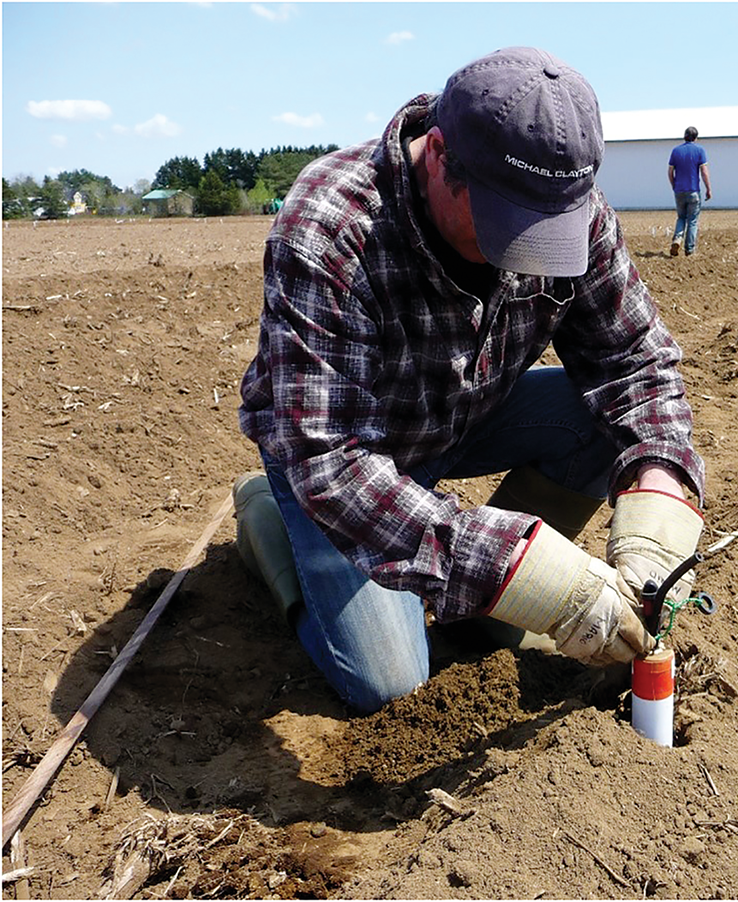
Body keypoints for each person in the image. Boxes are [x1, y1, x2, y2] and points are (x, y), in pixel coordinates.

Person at [235, 47, 706, 714]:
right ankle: (267, 522)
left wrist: (661, 484)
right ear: (440, 156)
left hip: (467, 415)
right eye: (508, 230)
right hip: (343, 463)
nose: (527, 254)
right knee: (390, 685)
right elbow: (333, 464)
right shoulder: (330, 226)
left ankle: (488, 615)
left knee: (601, 421)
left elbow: (634, 361)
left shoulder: (566, 204)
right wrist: (520, 569)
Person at [668, 126, 712, 257]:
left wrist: (674, 185)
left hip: (679, 191)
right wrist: (708, 188)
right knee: (692, 220)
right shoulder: (699, 150)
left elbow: (670, 171)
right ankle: (689, 249)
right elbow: (704, 171)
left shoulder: (675, 151)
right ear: (696, 138)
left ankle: (677, 238)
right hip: (693, 190)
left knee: (681, 217)